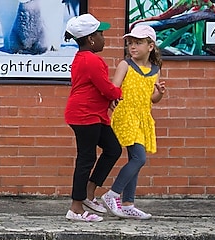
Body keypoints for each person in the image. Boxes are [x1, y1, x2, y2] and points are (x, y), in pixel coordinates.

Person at [100, 25, 166, 220]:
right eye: (130, 43)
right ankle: (112, 194)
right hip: (127, 116)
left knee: (134, 161)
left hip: (143, 117)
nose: (133, 47)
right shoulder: (125, 65)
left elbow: (152, 99)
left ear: (151, 46)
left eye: (138, 43)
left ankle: (128, 203)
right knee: (139, 158)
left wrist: (159, 94)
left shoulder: (155, 69)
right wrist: (113, 99)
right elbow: (114, 88)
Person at [63, 13, 122, 222]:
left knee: (113, 148)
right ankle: (76, 208)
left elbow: (98, 89)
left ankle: (89, 192)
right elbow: (105, 87)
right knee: (86, 159)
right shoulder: (91, 60)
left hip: (92, 114)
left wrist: (109, 99)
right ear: (91, 39)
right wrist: (117, 95)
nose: (104, 38)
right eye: (101, 34)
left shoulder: (84, 58)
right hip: (84, 115)